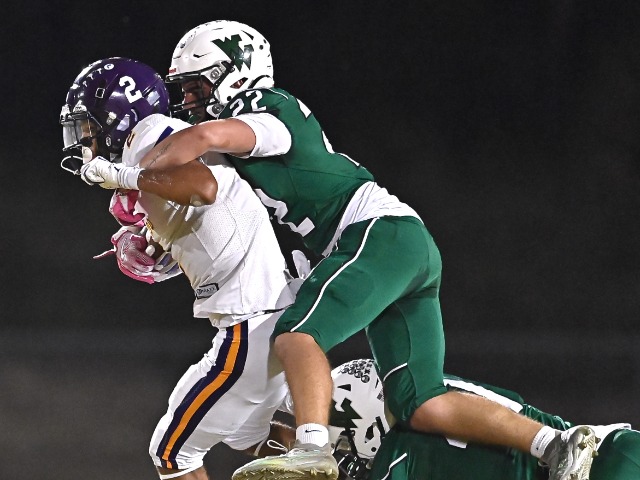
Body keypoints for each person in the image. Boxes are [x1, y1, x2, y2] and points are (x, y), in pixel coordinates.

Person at [79, 22, 598, 480]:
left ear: (233, 73)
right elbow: (232, 217)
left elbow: (202, 140)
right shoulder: (247, 141)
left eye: (197, 86)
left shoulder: (269, 109)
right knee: (421, 404)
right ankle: (555, 444)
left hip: (379, 232)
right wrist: (157, 235)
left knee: (297, 334)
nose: (189, 100)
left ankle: (312, 450)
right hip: (393, 244)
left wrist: (128, 175)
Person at [60, 57, 299, 480]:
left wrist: (122, 175)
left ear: (116, 116)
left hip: (250, 320)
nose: (83, 141)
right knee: (248, 436)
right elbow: (204, 220)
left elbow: (202, 189)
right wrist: (154, 244)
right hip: (265, 314)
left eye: (86, 127)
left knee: (171, 453)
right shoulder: (154, 144)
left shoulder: (150, 136)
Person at [312, 359, 639, 480]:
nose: (343, 457)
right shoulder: (429, 394)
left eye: (344, 442)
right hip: (610, 451)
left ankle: (553, 445)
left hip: (597, 467)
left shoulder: (398, 456)